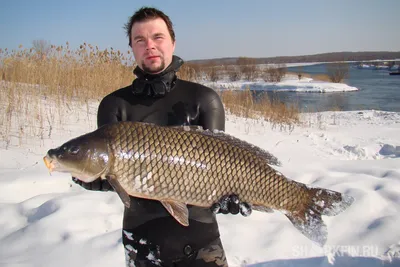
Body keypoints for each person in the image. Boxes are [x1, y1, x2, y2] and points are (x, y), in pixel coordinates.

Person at [73, 7, 251, 267]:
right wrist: (93, 179)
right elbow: (111, 174)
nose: (150, 46)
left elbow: (223, 163)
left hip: (201, 242)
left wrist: (229, 199)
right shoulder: (114, 105)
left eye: (158, 37)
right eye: (140, 40)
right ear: (132, 48)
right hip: (142, 242)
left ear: (173, 42)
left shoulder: (204, 100)